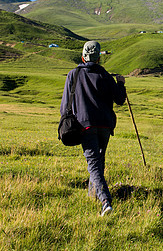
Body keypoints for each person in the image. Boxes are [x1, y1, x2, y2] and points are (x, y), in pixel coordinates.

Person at [60, 41, 126, 216]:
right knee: (98, 161)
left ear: (82, 57)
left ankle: (105, 201)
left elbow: (65, 106)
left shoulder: (73, 74)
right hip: (105, 125)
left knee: (94, 164)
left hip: (85, 125)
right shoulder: (104, 75)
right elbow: (120, 99)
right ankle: (93, 195)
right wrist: (120, 84)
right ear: (98, 59)